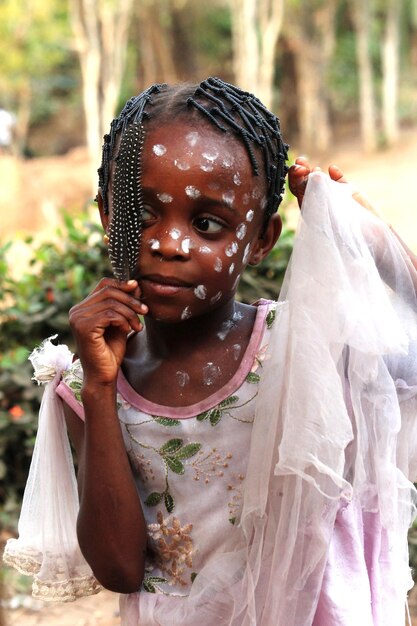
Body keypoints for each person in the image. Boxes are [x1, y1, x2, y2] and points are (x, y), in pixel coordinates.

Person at [3, 78, 417, 626]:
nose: (169, 243)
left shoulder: (300, 353)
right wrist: (101, 390)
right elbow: (121, 570)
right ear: (108, 217)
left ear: (261, 239)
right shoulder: (89, 384)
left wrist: (355, 224)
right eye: (144, 215)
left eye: (207, 223)